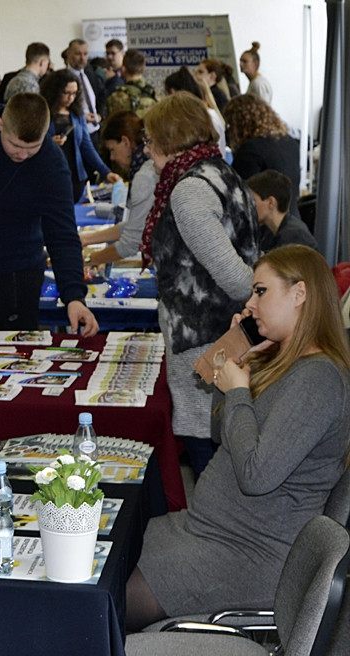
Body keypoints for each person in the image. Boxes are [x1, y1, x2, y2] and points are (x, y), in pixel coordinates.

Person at [127, 245, 350, 629]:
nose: (251, 302)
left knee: (105, 599)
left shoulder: (319, 379)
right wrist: (235, 354)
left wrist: (238, 391)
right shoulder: (284, 362)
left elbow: (255, 476)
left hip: (244, 554)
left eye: (261, 291)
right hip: (210, 532)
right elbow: (220, 433)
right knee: (111, 557)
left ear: (299, 295)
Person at [140, 92, 259, 477]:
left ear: (168, 139)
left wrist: (255, 307)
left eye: (149, 140)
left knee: (208, 452)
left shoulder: (189, 190)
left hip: (206, 341)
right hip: (222, 334)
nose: (147, 149)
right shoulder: (221, 172)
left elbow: (236, 277)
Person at [0, 94, 99, 375]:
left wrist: (74, 296)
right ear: (0, 124)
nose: (21, 154)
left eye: (31, 147)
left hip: (16, 274)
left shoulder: (51, 164)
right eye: (15, 145)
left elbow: (62, 234)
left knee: (13, 365)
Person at [78, 110, 156, 266]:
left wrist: (88, 261)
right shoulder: (143, 168)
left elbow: (132, 241)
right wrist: (86, 239)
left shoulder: (145, 174)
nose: (112, 157)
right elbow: (137, 225)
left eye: (112, 150)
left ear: (126, 142)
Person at [40, 69, 121, 201]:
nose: (70, 98)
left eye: (74, 93)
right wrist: (49, 143)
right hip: (50, 174)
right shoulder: (43, 112)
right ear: (55, 91)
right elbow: (33, 141)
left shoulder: (77, 114)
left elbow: (86, 147)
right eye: (66, 93)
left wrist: (105, 172)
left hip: (75, 176)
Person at [223, 94, 300, 207]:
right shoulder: (290, 142)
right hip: (292, 216)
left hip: (263, 219)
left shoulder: (249, 151)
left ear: (238, 125)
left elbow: (240, 197)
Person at [246, 170, 318, 251]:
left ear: (271, 203)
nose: (249, 206)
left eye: (253, 200)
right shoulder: (270, 232)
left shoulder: (293, 237)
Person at [104, 49, 158, 119]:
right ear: (143, 68)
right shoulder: (155, 96)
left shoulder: (115, 98)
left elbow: (109, 125)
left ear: (123, 69)